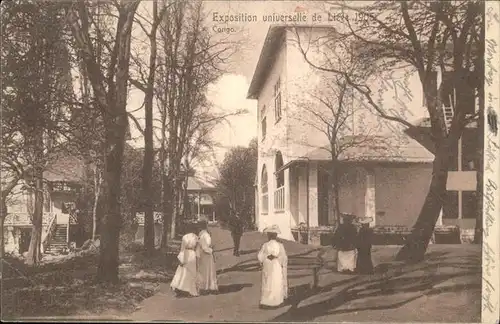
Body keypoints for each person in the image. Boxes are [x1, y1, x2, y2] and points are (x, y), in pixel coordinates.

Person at [257, 225, 288, 309]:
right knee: (275, 281)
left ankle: (268, 301)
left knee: (268, 281)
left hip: (268, 264)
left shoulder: (265, 245)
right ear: (275, 236)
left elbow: (260, 255)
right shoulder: (280, 245)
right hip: (276, 264)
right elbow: (284, 257)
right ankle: (276, 301)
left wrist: (263, 260)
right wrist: (281, 262)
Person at [170, 225, 199, 297]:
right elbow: (197, 248)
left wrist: (181, 258)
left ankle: (180, 287)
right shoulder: (196, 237)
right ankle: (190, 289)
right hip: (192, 254)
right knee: (191, 272)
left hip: (186, 253)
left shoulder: (185, 237)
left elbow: (182, 249)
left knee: (183, 270)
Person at [196, 219, 218, 295]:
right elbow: (206, 245)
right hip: (205, 254)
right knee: (207, 270)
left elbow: (204, 246)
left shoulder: (202, 234)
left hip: (203, 254)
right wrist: (211, 250)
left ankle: (205, 287)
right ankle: (207, 286)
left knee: (204, 270)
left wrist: (209, 250)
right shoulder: (204, 234)